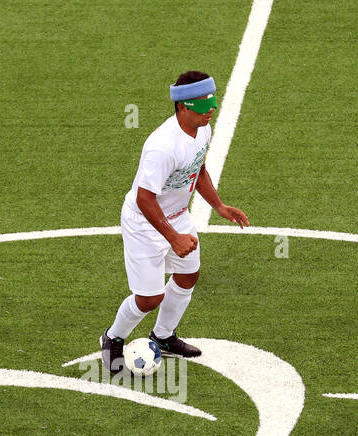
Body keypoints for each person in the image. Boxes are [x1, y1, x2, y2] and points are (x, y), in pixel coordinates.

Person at [99, 71, 249, 375]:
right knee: (149, 297)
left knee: (188, 276)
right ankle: (112, 337)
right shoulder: (162, 146)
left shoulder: (202, 130)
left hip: (177, 217)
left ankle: (164, 336)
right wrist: (173, 238)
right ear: (182, 107)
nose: (211, 111)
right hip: (145, 223)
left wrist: (218, 205)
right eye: (203, 106)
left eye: (212, 104)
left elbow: (198, 169)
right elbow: (145, 199)